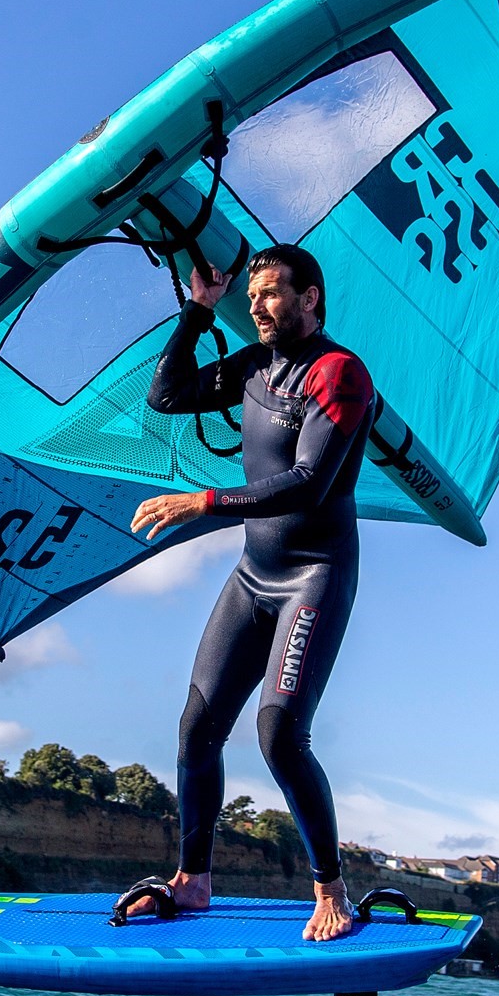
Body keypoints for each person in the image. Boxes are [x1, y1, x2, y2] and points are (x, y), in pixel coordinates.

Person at [128, 244, 374, 942]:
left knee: (279, 734)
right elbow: (167, 395)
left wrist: (202, 501)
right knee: (196, 728)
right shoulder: (256, 368)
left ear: (311, 298)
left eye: (272, 294)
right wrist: (197, 309)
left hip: (313, 576)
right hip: (253, 576)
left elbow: (308, 481)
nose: (259, 306)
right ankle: (193, 881)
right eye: (254, 295)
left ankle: (330, 889)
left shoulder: (340, 374)